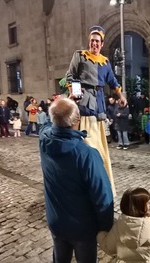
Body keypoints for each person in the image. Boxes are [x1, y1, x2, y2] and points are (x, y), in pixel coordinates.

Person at [39, 98, 114, 262]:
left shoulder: (44, 138)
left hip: (56, 221)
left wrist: (64, 102)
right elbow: (102, 196)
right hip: (82, 228)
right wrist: (106, 227)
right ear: (77, 120)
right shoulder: (86, 154)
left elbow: (46, 122)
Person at [65, 25, 126, 195]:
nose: (94, 44)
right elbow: (70, 76)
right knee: (85, 145)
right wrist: (75, 92)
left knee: (100, 148)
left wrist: (121, 96)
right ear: (89, 41)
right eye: (92, 40)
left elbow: (113, 82)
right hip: (83, 104)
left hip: (98, 107)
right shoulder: (80, 56)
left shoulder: (105, 62)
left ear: (102, 43)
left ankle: (101, 183)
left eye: (97, 41)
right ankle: (83, 185)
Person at [97, 187, 150, 263]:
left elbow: (108, 248)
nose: (149, 205)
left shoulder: (118, 227)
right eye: (147, 203)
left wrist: (100, 234)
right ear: (142, 207)